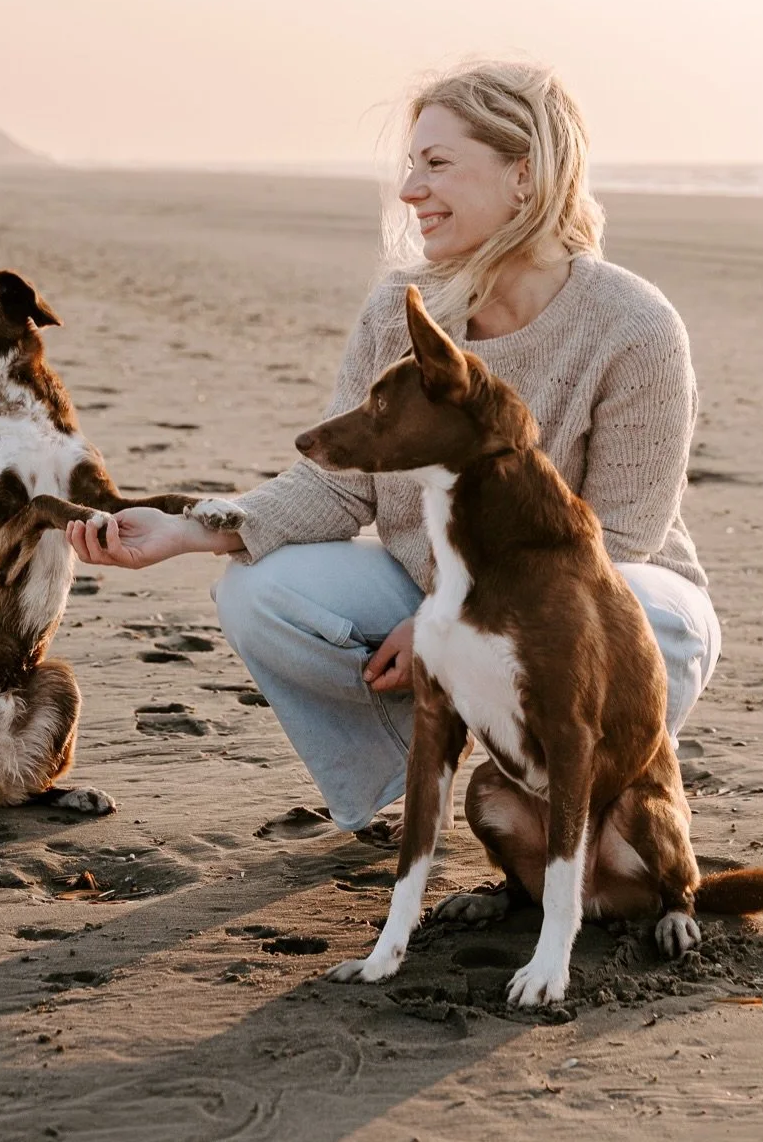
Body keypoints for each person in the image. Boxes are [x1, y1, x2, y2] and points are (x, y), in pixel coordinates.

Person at [67, 59, 720, 837]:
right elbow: (337, 485)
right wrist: (187, 531)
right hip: (433, 587)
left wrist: (455, 622)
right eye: (411, 165)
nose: (410, 191)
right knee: (259, 592)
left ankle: (572, 801)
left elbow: (621, 534)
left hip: (591, 595)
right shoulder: (399, 308)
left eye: (436, 164)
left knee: (651, 618)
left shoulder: (632, 324)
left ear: (524, 174)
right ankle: (405, 782)